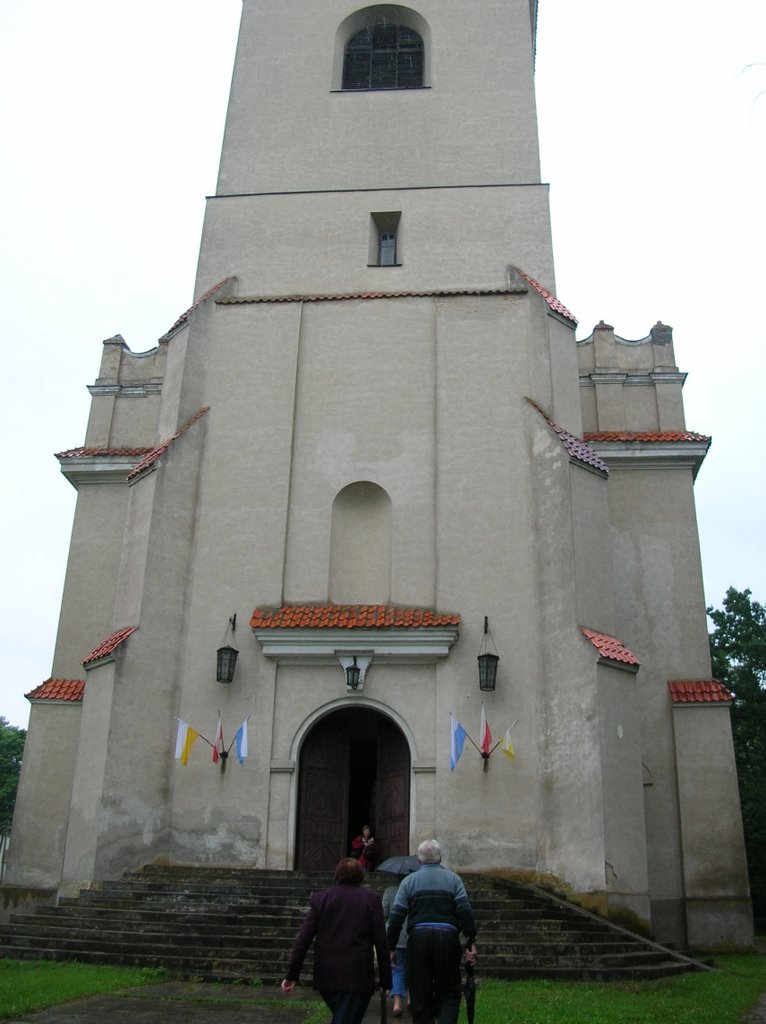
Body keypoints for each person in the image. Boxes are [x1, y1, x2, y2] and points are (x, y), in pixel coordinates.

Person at [281, 857, 392, 1024]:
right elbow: (382, 943)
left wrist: (292, 974)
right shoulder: (370, 900)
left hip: (327, 975)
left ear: (337, 875)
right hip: (357, 974)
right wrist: (386, 980)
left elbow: (303, 939)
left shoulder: (322, 899)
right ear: (360, 876)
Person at [386, 839, 477, 1024]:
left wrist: (391, 947)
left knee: (420, 991)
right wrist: (471, 940)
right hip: (448, 938)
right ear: (440, 858)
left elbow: (396, 917)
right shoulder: (454, 879)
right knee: (450, 990)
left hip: (419, 939)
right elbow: (465, 912)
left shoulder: (408, 882)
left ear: (419, 860)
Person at [382, 872, 412, 1017]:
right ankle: (410, 998)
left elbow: (384, 913)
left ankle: (397, 1003)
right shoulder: (414, 889)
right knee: (413, 968)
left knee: (396, 970)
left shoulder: (389, 891)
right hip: (413, 935)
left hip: (396, 937)